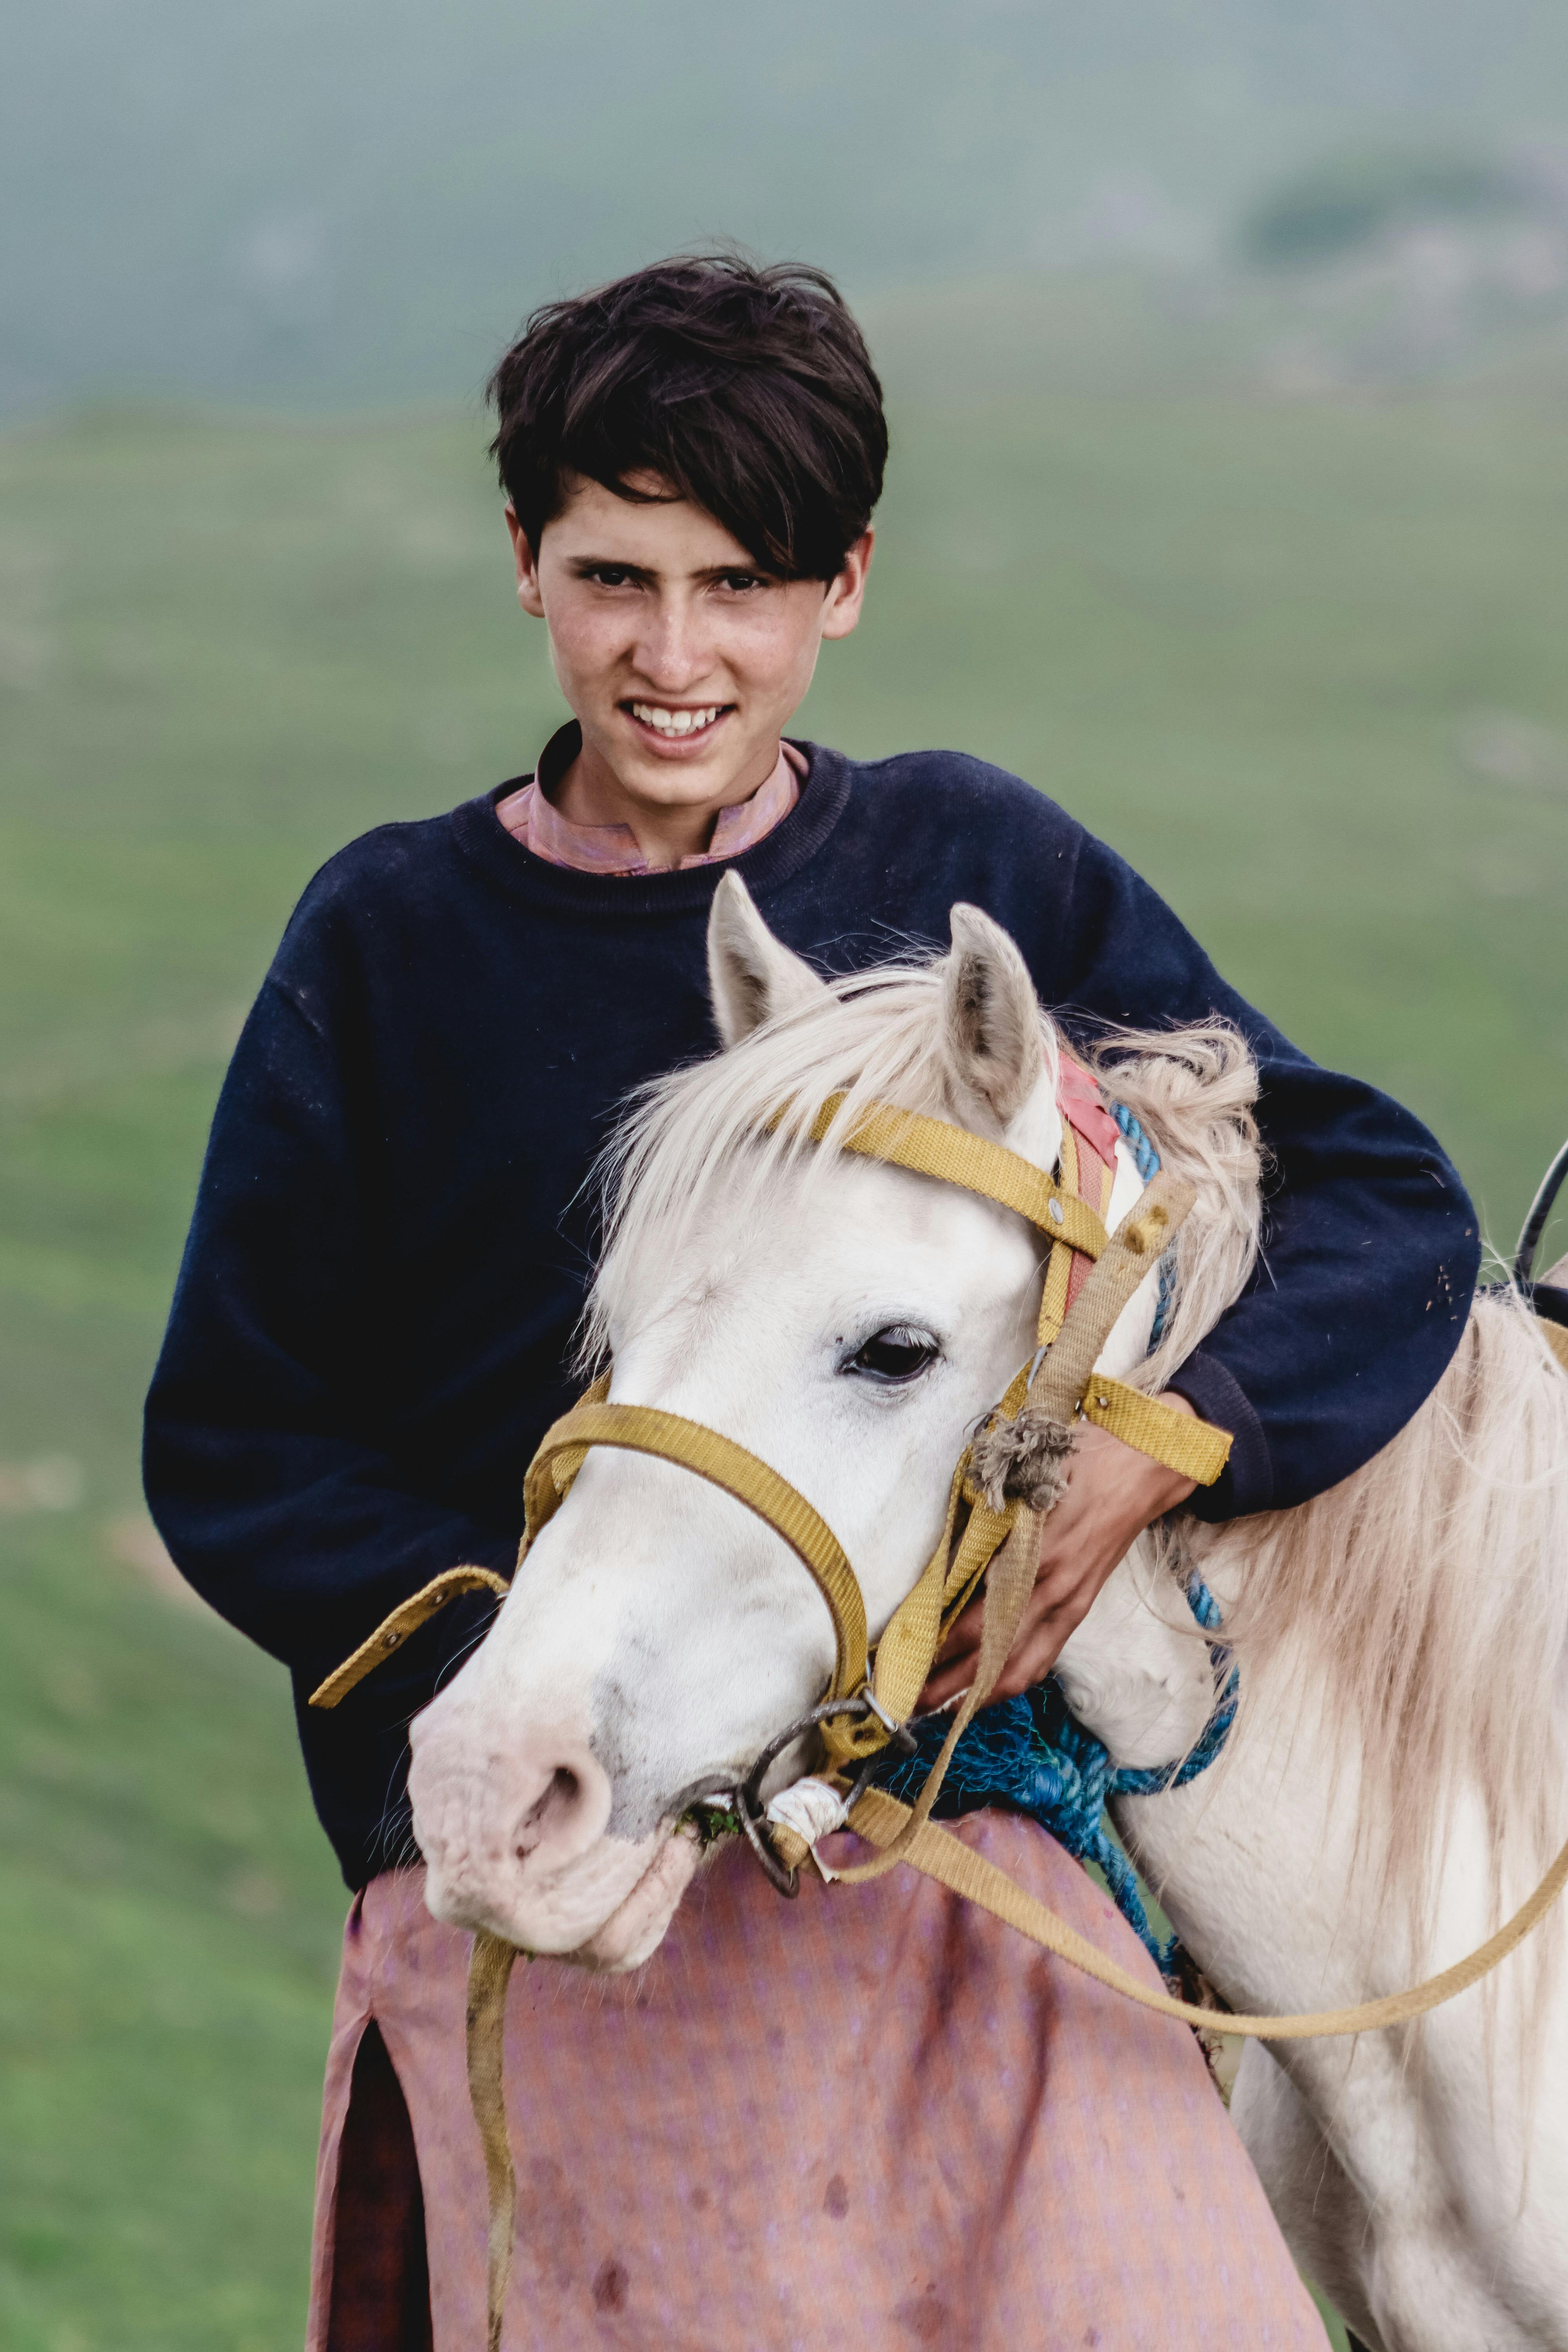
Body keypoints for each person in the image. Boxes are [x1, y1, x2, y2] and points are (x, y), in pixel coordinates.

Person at [144, 255, 1477, 2348]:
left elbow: (1377, 1196)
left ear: (839, 586)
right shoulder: (395, 938)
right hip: (566, 1867)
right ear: (523, 565)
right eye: (617, 577)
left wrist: (1150, 1457)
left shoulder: (980, 863)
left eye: (741, 585)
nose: (676, 657)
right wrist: (561, 1677)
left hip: (973, 1862)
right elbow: (237, 1443)